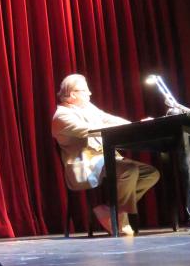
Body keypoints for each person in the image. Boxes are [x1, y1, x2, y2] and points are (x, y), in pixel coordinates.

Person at [52, 73, 160, 236]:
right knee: (128, 170)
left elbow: (108, 119)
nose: (90, 94)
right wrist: (120, 126)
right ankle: (119, 219)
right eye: (85, 90)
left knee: (151, 173)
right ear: (73, 94)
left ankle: (111, 210)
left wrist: (136, 126)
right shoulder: (61, 116)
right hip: (86, 163)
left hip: (105, 158)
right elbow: (93, 130)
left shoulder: (88, 108)